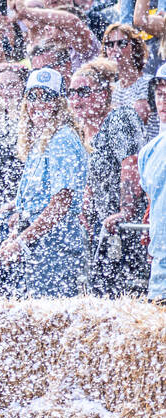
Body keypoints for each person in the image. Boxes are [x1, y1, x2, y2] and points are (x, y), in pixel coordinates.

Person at [0, 68, 89, 297]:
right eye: (33, 97)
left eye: (47, 97)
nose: (39, 104)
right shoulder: (42, 140)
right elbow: (32, 202)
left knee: (53, 321)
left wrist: (21, 242)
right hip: (39, 244)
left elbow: (59, 205)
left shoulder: (62, 139)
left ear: (59, 103)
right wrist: (14, 235)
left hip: (55, 247)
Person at [70, 59, 146, 294]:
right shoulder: (85, 131)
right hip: (107, 227)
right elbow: (95, 177)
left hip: (131, 224)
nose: (76, 99)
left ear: (104, 94)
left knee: (132, 291)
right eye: (71, 93)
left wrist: (126, 210)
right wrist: (86, 203)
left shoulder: (119, 118)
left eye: (83, 91)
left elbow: (130, 164)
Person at [138, 67, 166, 299]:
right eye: (159, 93)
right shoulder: (148, 152)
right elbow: (153, 200)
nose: (163, 101)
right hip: (160, 269)